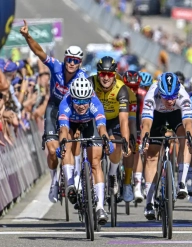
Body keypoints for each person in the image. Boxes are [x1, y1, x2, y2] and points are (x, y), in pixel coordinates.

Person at [20, 19, 87, 203]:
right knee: (52, 151)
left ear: (79, 63)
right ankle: (55, 181)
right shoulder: (56, 67)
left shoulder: (82, 78)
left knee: (72, 145)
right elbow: (39, 52)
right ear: (65, 59)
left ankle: (75, 179)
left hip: (73, 113)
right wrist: (28, 36)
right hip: (54, 109)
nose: (71, 63)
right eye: (69, 60)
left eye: (76, 61)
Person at [140, 72, 192, 220]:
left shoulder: (182, 95)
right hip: (156, 116)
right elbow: (146, 124)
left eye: (173, 97)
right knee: (151, 154)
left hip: (175, 115)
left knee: (185, 137)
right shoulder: (152, 94)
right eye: (166, 97)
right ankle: (149, 202)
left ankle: (181, 182)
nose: (170, 101)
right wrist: (144, 140)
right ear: (160, 92)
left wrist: (191, 139)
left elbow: (188, 122)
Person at [57, 77, 113, 225]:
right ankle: (70, 183)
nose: (81, 105)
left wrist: (106, 140)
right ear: (72, 98)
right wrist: (61, 144)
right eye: (78, 101)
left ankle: (100, 207)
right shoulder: (65, 104)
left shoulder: (95, 103)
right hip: (71, 125)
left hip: (89, 125)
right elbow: (63, 129)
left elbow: (101, 127)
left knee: (95, 162)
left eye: (84, 101)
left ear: (90, 97)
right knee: (66, 143)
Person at [88, 56, 131, 196]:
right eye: (102, 74)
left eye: (109, 75)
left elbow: (124, 120)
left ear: (114, 75)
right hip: (94, 120)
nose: (106, 78)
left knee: (116, 144)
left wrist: (125, 140)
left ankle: (112, 174)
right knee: (94, 150)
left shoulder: (121, 89)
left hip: (114, 121)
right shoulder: (91, 83)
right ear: (97, 74)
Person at [122, 70, 146, 203]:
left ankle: (137, 185)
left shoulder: (141, 95)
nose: (132, 91)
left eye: (134, 88)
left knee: (135, 151)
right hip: (120, 120)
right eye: (129, 88)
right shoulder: (120, 92)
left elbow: (141, 118)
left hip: (135, 121)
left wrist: (140, 137)